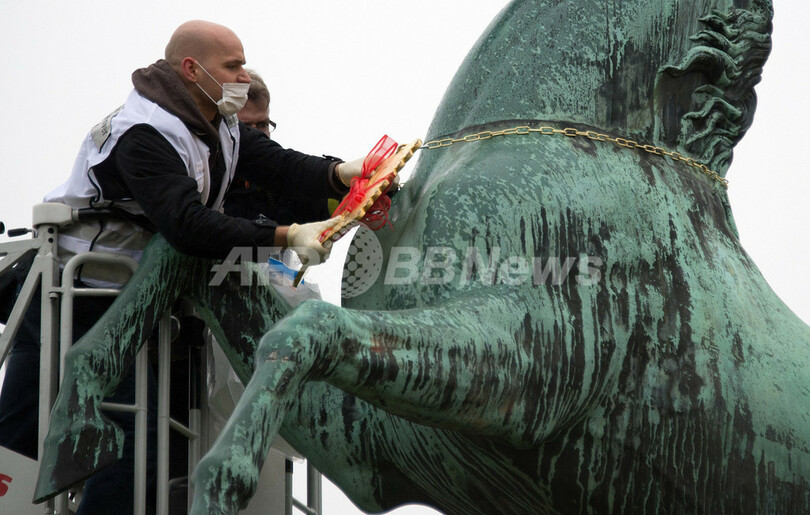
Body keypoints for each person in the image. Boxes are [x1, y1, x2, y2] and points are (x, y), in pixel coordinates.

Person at [0, 19, 364, 514]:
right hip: (76, 294)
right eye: (233, 66)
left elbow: (277, 165)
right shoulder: (145, 132)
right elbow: (186, 225)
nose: (243, 77)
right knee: (104, 446)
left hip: (118, 299)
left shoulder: (217, 123)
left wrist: (340, 173)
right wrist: (287, 235)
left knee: (53, 439)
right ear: (193, 69)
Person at [224, 69, 336, 224]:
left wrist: (349, 185)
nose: (255, 135)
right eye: (246, 127)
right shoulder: (210, 178)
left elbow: (317, 199)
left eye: (262, 124)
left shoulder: (284, 175)